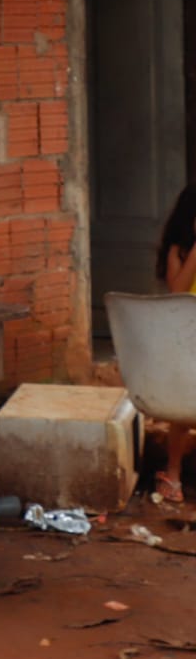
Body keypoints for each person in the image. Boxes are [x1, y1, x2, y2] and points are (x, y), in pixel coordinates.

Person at [151, 183, 196, 503]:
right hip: (187, 339)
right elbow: (178, 292)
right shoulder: (177, 252)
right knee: (183, 411)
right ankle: (173, 472)